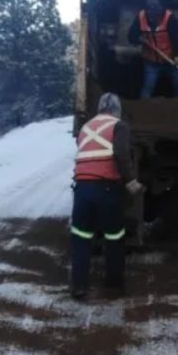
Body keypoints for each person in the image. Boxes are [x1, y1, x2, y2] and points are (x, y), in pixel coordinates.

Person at [70, 93, 144, 300]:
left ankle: (79, 286)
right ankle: (113, 283)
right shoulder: (119, 126)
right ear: (117, 109)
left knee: (81, 238)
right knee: (114, 236)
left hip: (82, 189)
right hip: (106, 189)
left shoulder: (86, 127)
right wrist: (130, 181)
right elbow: (121, 154)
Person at [127, 0, 178, 98]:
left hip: (171, 61)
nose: (152, 14)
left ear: (161, 9)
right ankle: (144, 108)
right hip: (151, 62)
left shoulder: (170, 19)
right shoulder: (141, 17)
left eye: (155, 9)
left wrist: (177, 56)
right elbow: (131, 36)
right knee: (147, 88)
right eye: (150, 9)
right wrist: (139, 39)